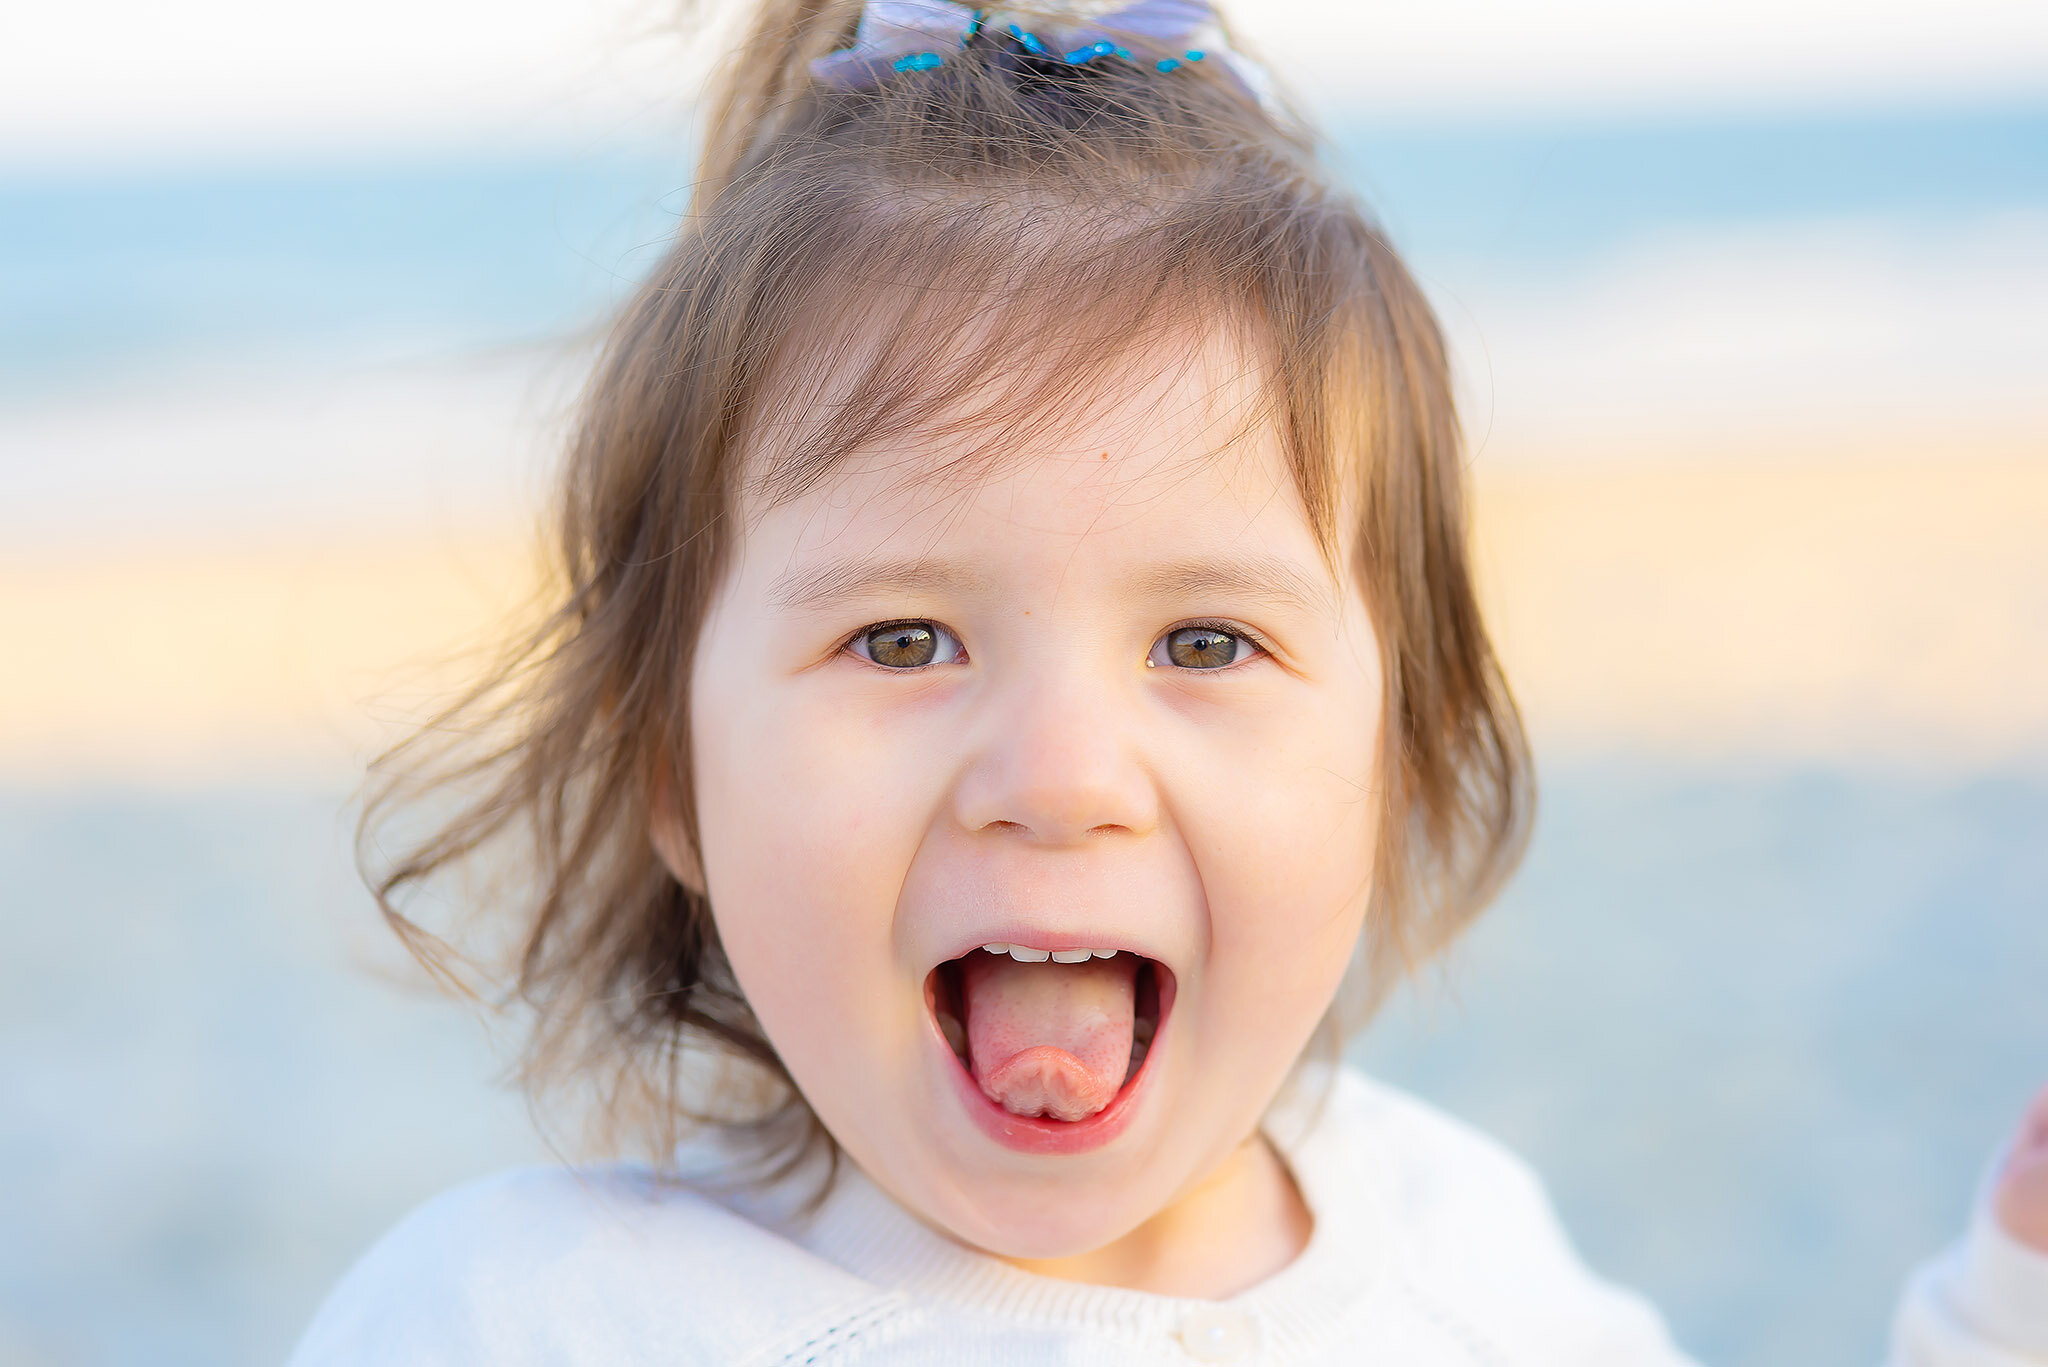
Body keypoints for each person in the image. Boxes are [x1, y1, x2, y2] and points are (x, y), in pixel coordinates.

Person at [291, 1, 2048, 1360]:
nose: (1060, 774)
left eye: (1206, 644)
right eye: (903, 640)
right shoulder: (522, 1320)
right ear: (671, 770)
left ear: (1399, 765)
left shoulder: (1466, 1261)